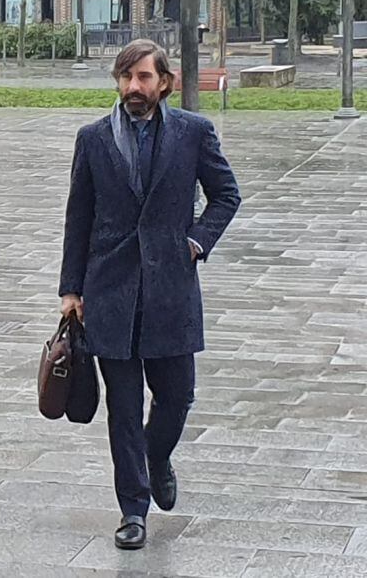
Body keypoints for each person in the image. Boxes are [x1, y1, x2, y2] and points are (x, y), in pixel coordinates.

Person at [59, 39, 240, 550]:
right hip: (109, 290)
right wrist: (71, 288)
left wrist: (196, 242)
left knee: (178, 394)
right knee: (123, 406)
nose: (133, 87)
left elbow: (227, 195)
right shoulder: (93, 138)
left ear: (165, 82)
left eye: (143, 77)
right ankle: (133, 509)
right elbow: (79, 216)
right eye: (125, 78)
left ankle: (156, 456)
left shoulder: (193, 133)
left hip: (170, 288)